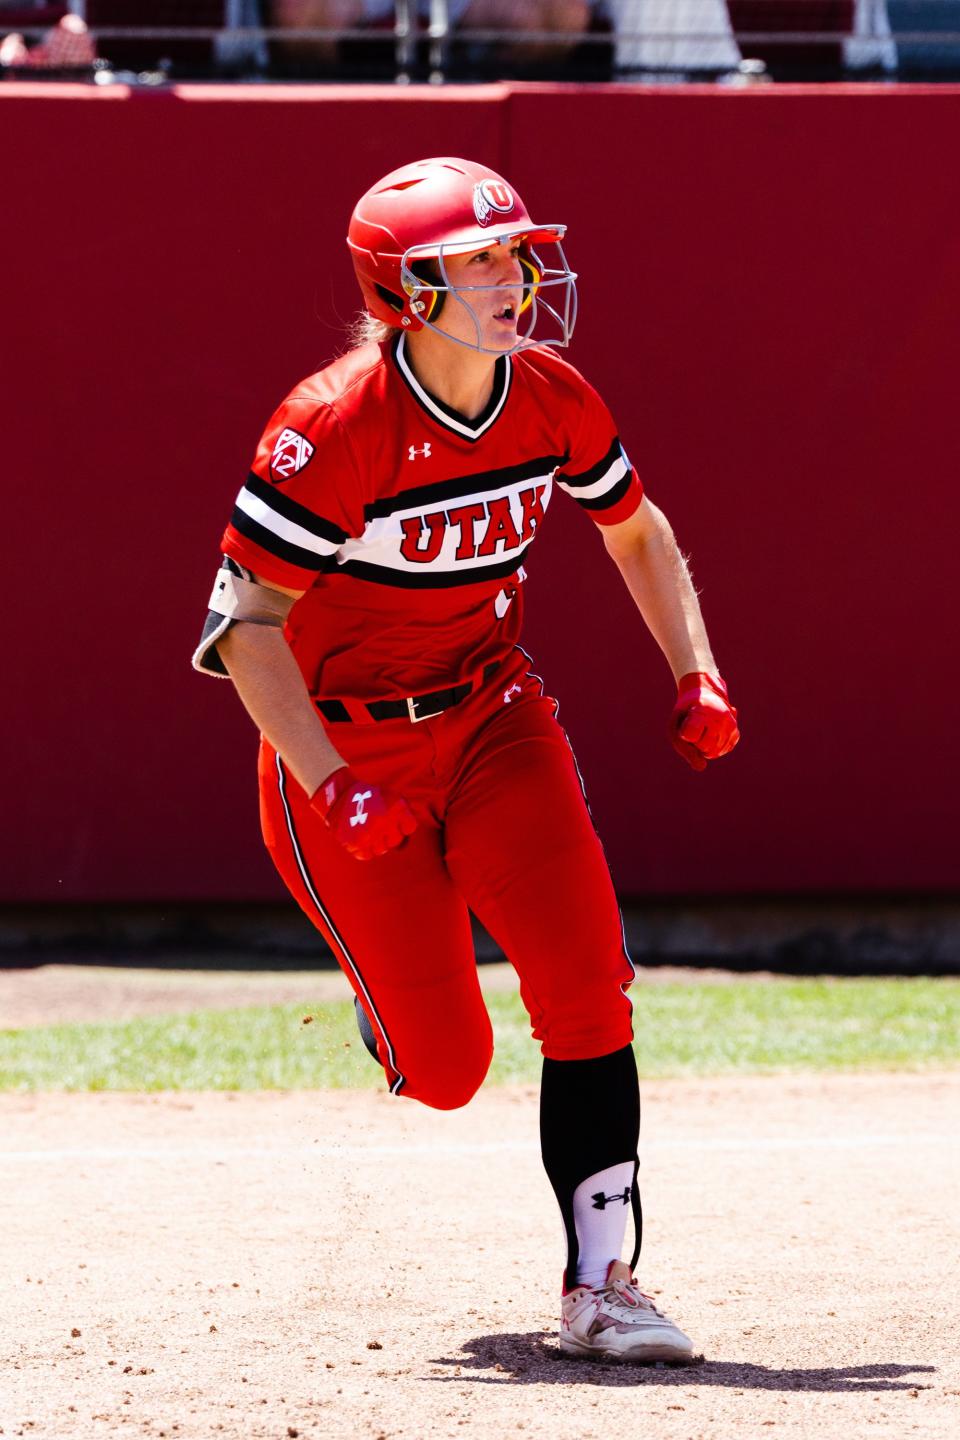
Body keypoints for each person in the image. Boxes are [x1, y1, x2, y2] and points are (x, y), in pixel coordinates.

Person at [193, 156, 740, 1364]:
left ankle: (605, 1288)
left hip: (494, 718)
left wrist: (693, 665)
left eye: (520, 253)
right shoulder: (331, 427)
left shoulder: (550, 395)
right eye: (481, 260)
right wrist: (332, 780)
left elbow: (636, 531)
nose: (518, 277)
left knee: (591, 988)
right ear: (404, 289)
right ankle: (390, 1005)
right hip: (345, 750)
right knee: (447, 1073)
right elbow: (246, 634)